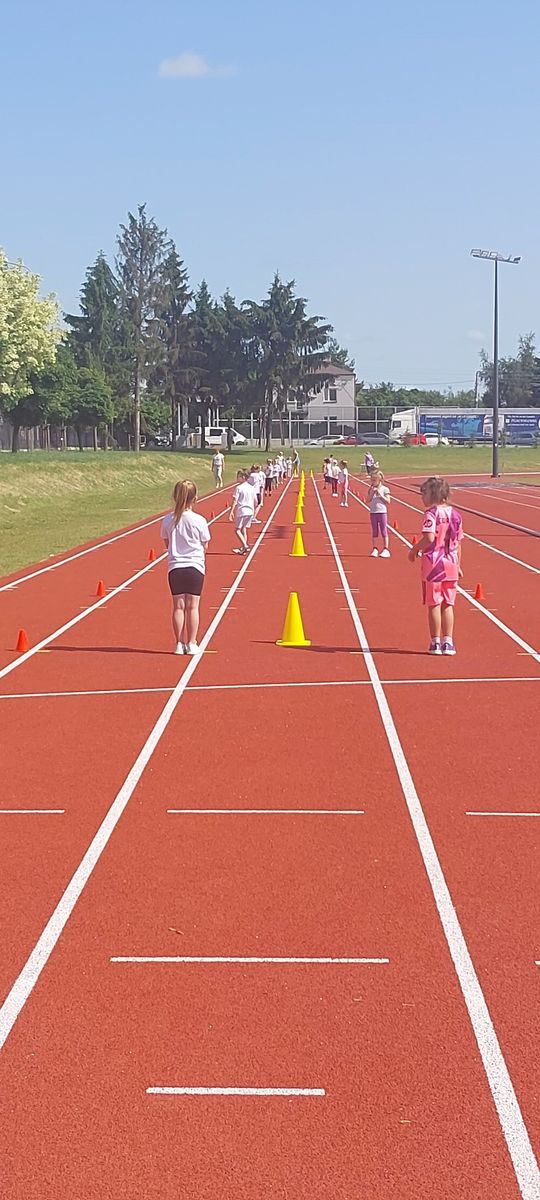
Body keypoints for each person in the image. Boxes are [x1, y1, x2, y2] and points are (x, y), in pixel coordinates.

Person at [408, 476, 464, 656]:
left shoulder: (431, 514)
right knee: (448, 604)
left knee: (434, 604)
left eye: (423, 494)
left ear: (433, 494)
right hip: (452, 564)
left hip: (434, 565)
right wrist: (459, 565)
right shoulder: (456, 514)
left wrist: (414, 549)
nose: (421, 498)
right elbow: (458, 542)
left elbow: (429, 537)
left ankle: (435, 642)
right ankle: (449, 641)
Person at [161, 480, 211, 656]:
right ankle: (192, 642)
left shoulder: (168, 520)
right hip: (195, 567)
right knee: (193, 607)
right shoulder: (199, 520)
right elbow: (205, 545)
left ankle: (179, 643)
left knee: (178, 607)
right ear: (195, 499)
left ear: (175, 497)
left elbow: (167, 543)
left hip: (175, 568)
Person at [229, 469, 257, 554]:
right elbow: (256, 501)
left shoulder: (238, 488)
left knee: (237, 530)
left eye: (238, 477)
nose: (237, 479)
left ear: (243, 477)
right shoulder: (251, 488)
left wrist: (231, 512)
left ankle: (245, 545)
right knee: (243, 528)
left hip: (242, 510)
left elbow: (235, 500)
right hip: (250, 511)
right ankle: (243, 548)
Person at [367, 469, 391, 557]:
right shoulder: (371, 489)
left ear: (379, 480)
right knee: (375, 531)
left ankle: (386, 549)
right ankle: (375, 548)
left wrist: (380, 495)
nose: (372, 482)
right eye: (371, 480)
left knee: (383, 530)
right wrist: (372, 493)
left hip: (382, 512)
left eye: (374, 480)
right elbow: (368, 500)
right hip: (373, 512)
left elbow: (388, 501)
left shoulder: (385, 489)